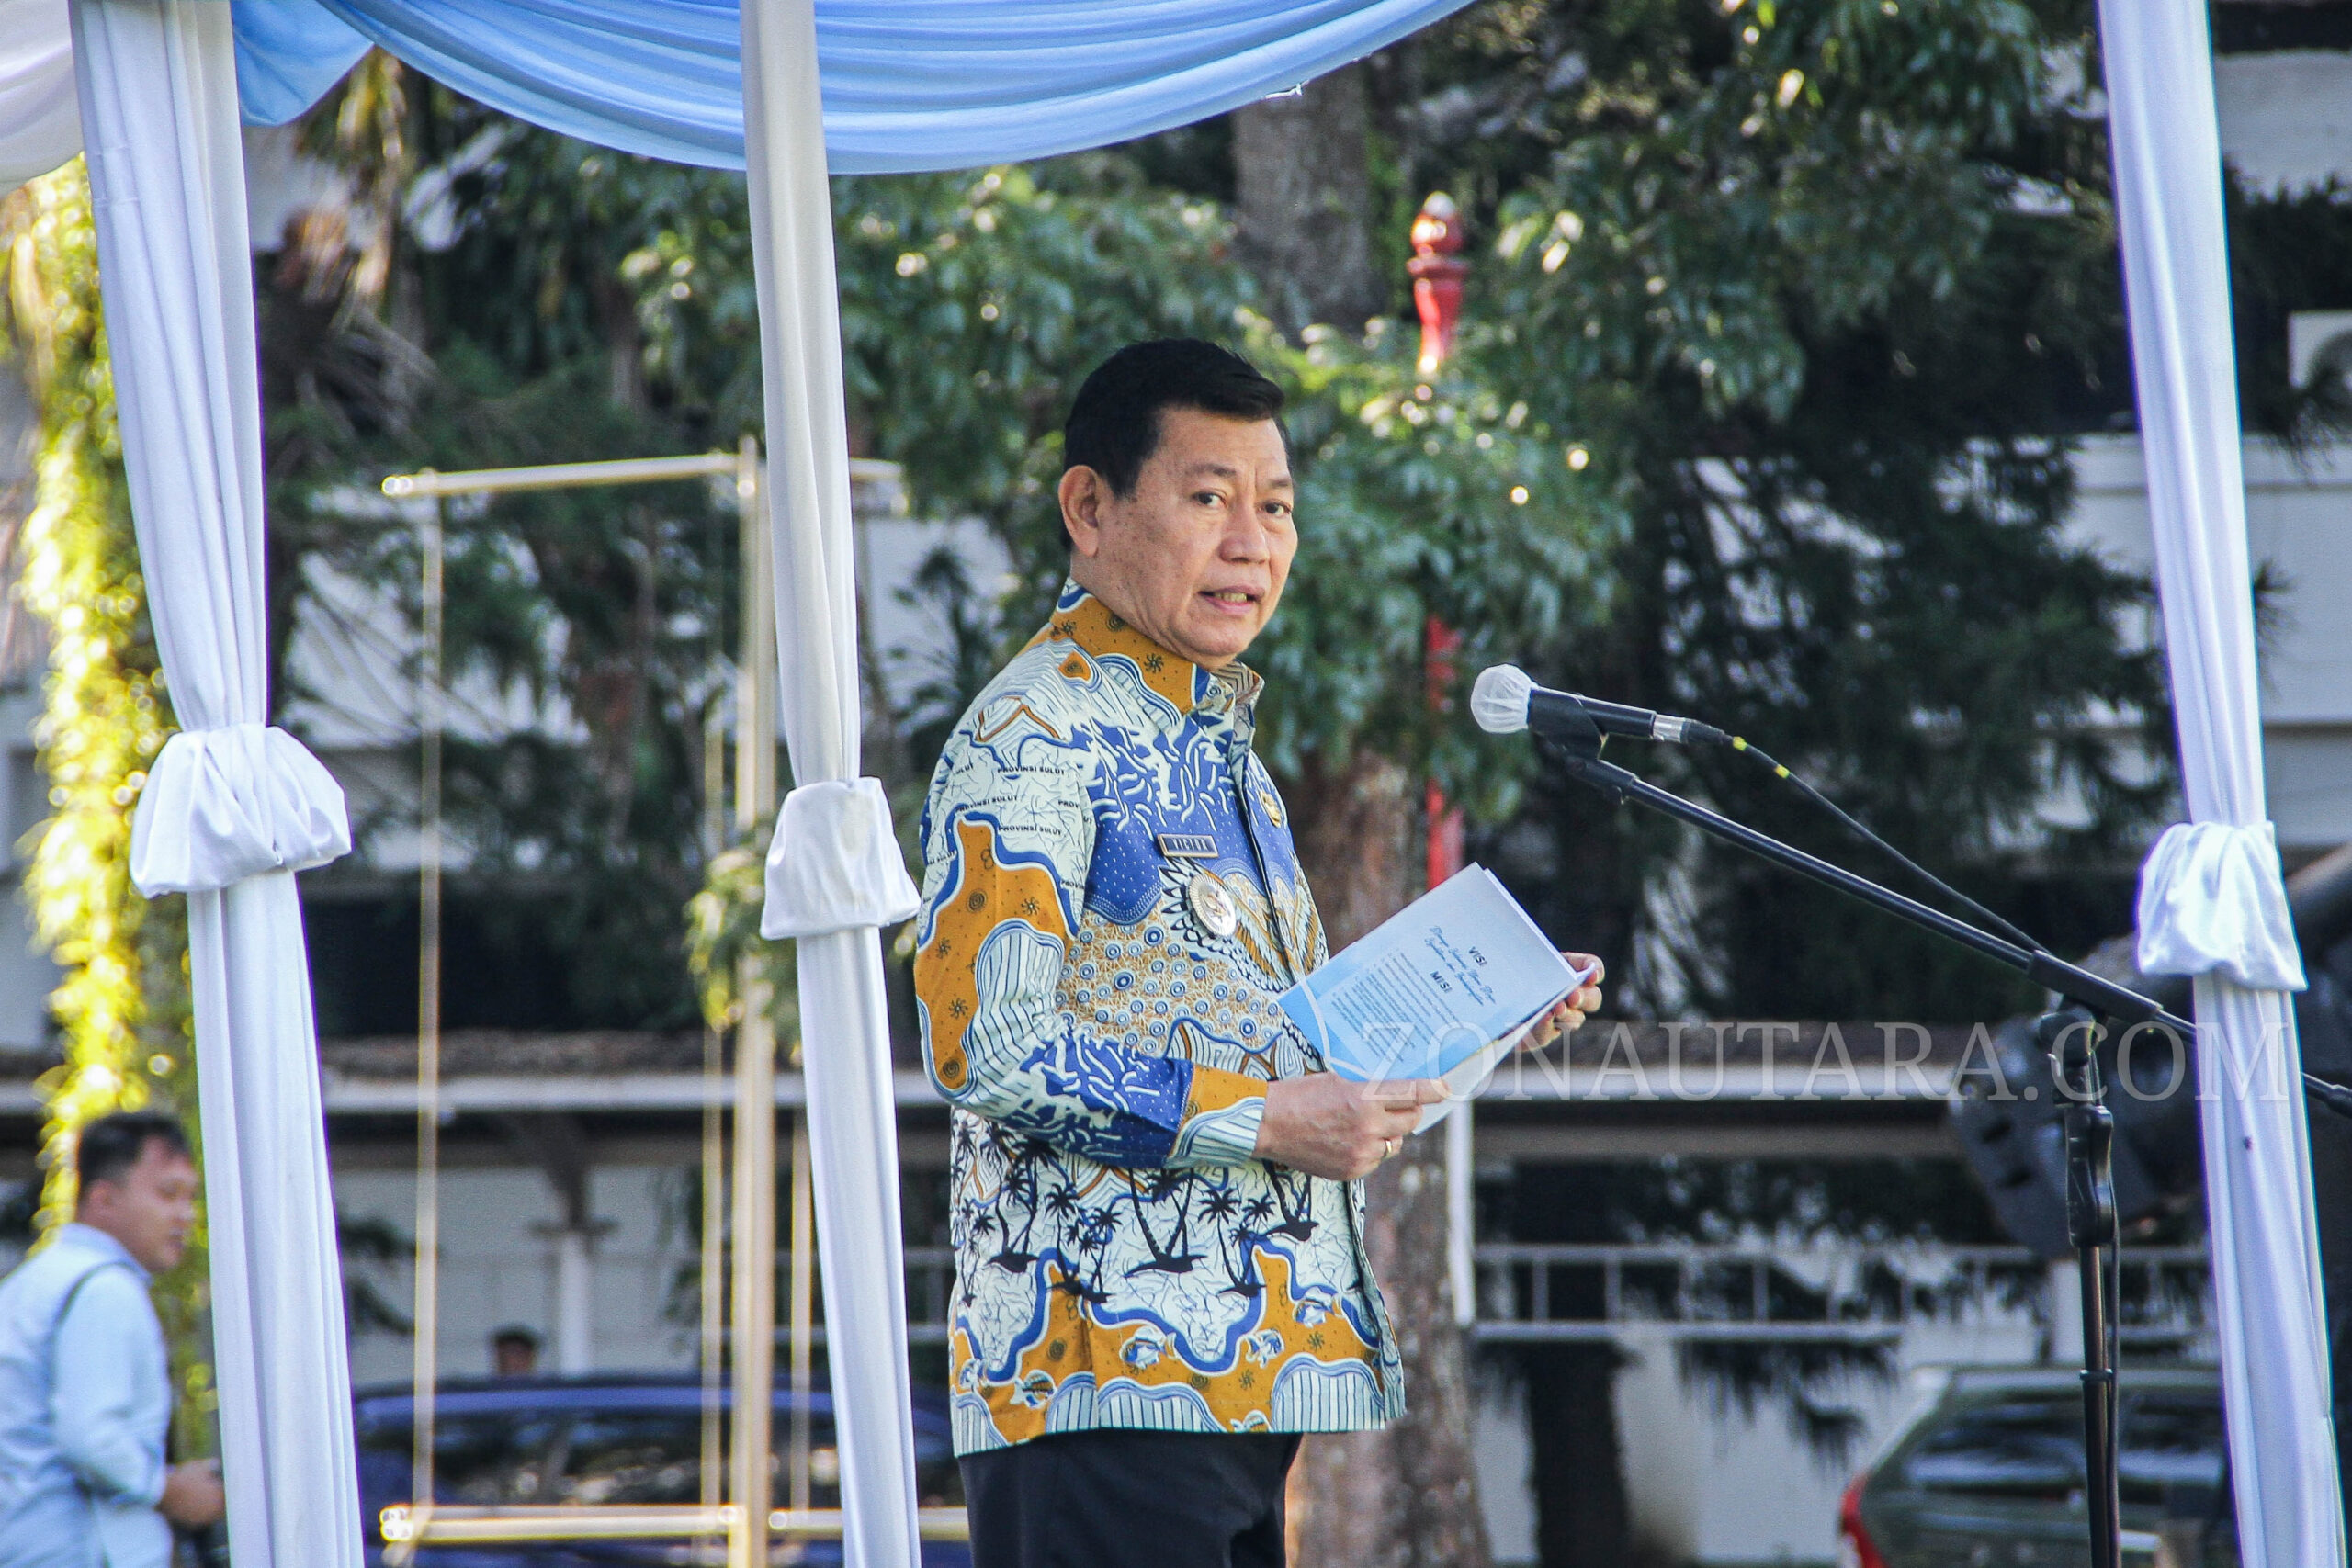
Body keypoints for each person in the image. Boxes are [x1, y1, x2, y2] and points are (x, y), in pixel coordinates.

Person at [912, 338, 1603, 1567]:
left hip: (1241, 1385)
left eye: (1275, 506)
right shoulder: (1034, 732)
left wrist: (1481, 1018)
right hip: (1098, 1380)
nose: (1252, 540)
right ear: (1091, 506)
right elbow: (990, 1043)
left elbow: (1292, 1065)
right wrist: (1268, 1121)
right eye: (1207, 497)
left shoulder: (1227, 753)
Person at [0, 1111, 226, 1568]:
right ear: (103, 1198)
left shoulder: (33, 1281)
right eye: (167, 1194)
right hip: (81, 1550)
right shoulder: (104, 1288)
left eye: (190, 1197)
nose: (185, 1215)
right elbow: (90, 1437)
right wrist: (171, 1489)